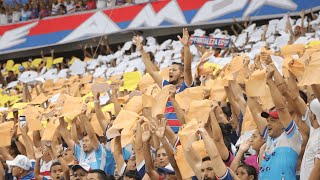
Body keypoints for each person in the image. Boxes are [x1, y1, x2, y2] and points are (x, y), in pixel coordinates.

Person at [132, 28, 193, 133]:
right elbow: (151, 71)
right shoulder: (166, 86)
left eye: (174, 70)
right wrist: (141, 50)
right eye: (169, 70)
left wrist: (186, 47)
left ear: (182, 74)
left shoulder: (186, 86)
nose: (170, 72)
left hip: (183, 132)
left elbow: (187, 68)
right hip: (167, 134)